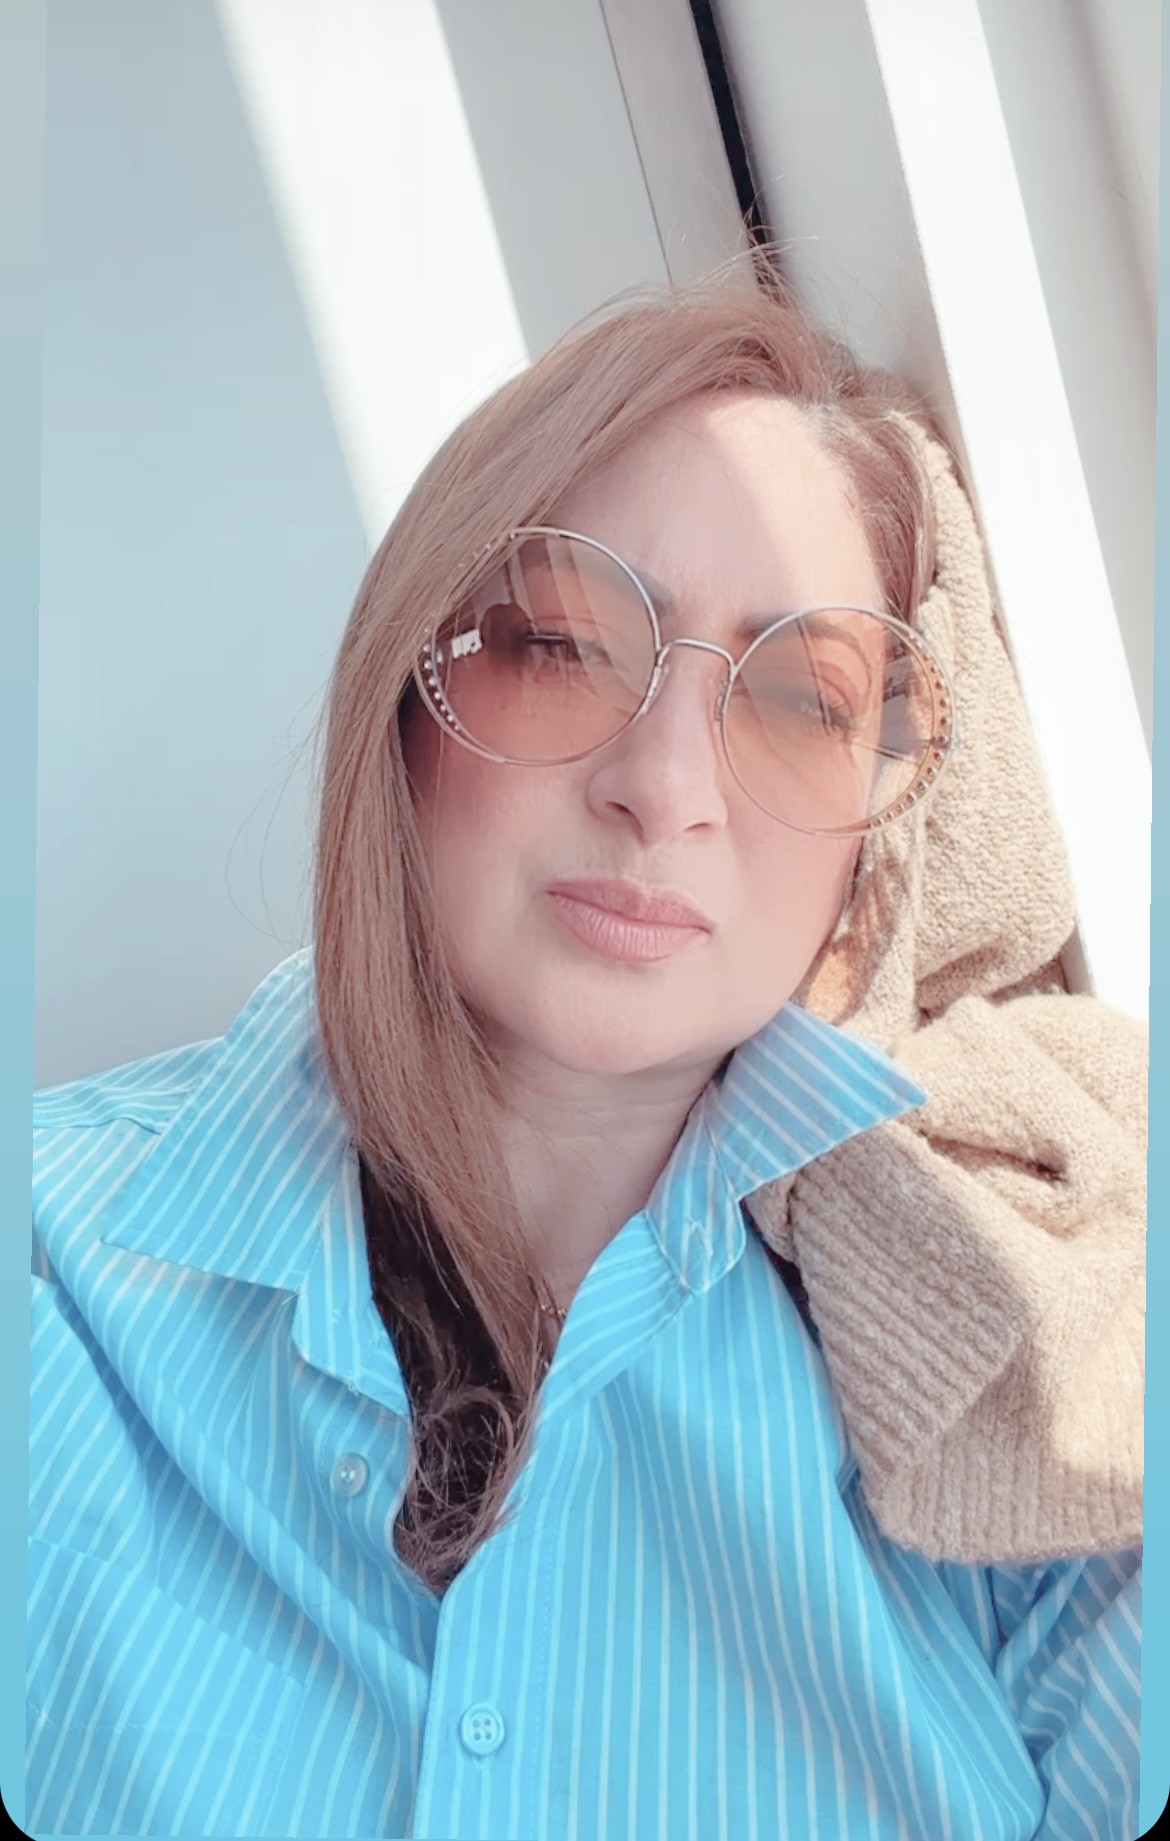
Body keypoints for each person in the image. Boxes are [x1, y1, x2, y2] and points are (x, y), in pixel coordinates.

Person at [27, 274, 1144, 1840]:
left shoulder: (1041, 1401)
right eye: (561, 645)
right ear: (407, 693)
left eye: (797, 697)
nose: (664, 783)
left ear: (875, 843)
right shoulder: (47, 1278)